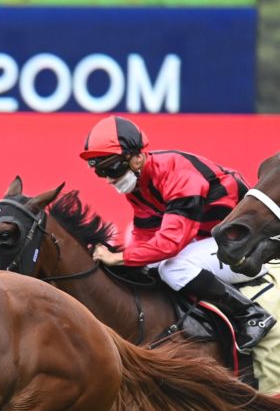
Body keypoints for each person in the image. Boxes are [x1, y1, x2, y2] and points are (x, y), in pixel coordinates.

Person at [83, 115, 275, 352]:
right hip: (213, 240)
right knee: (150, 267)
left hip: (248, 246)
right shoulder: (138, 185)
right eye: (100, 172)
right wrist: (128, 260)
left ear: (138, 157)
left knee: (174, 267)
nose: (109, 178)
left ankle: (251, 314)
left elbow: (170, 243)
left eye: (112, 168)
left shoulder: (178, 174)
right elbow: (146, 235)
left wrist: (118, 257)